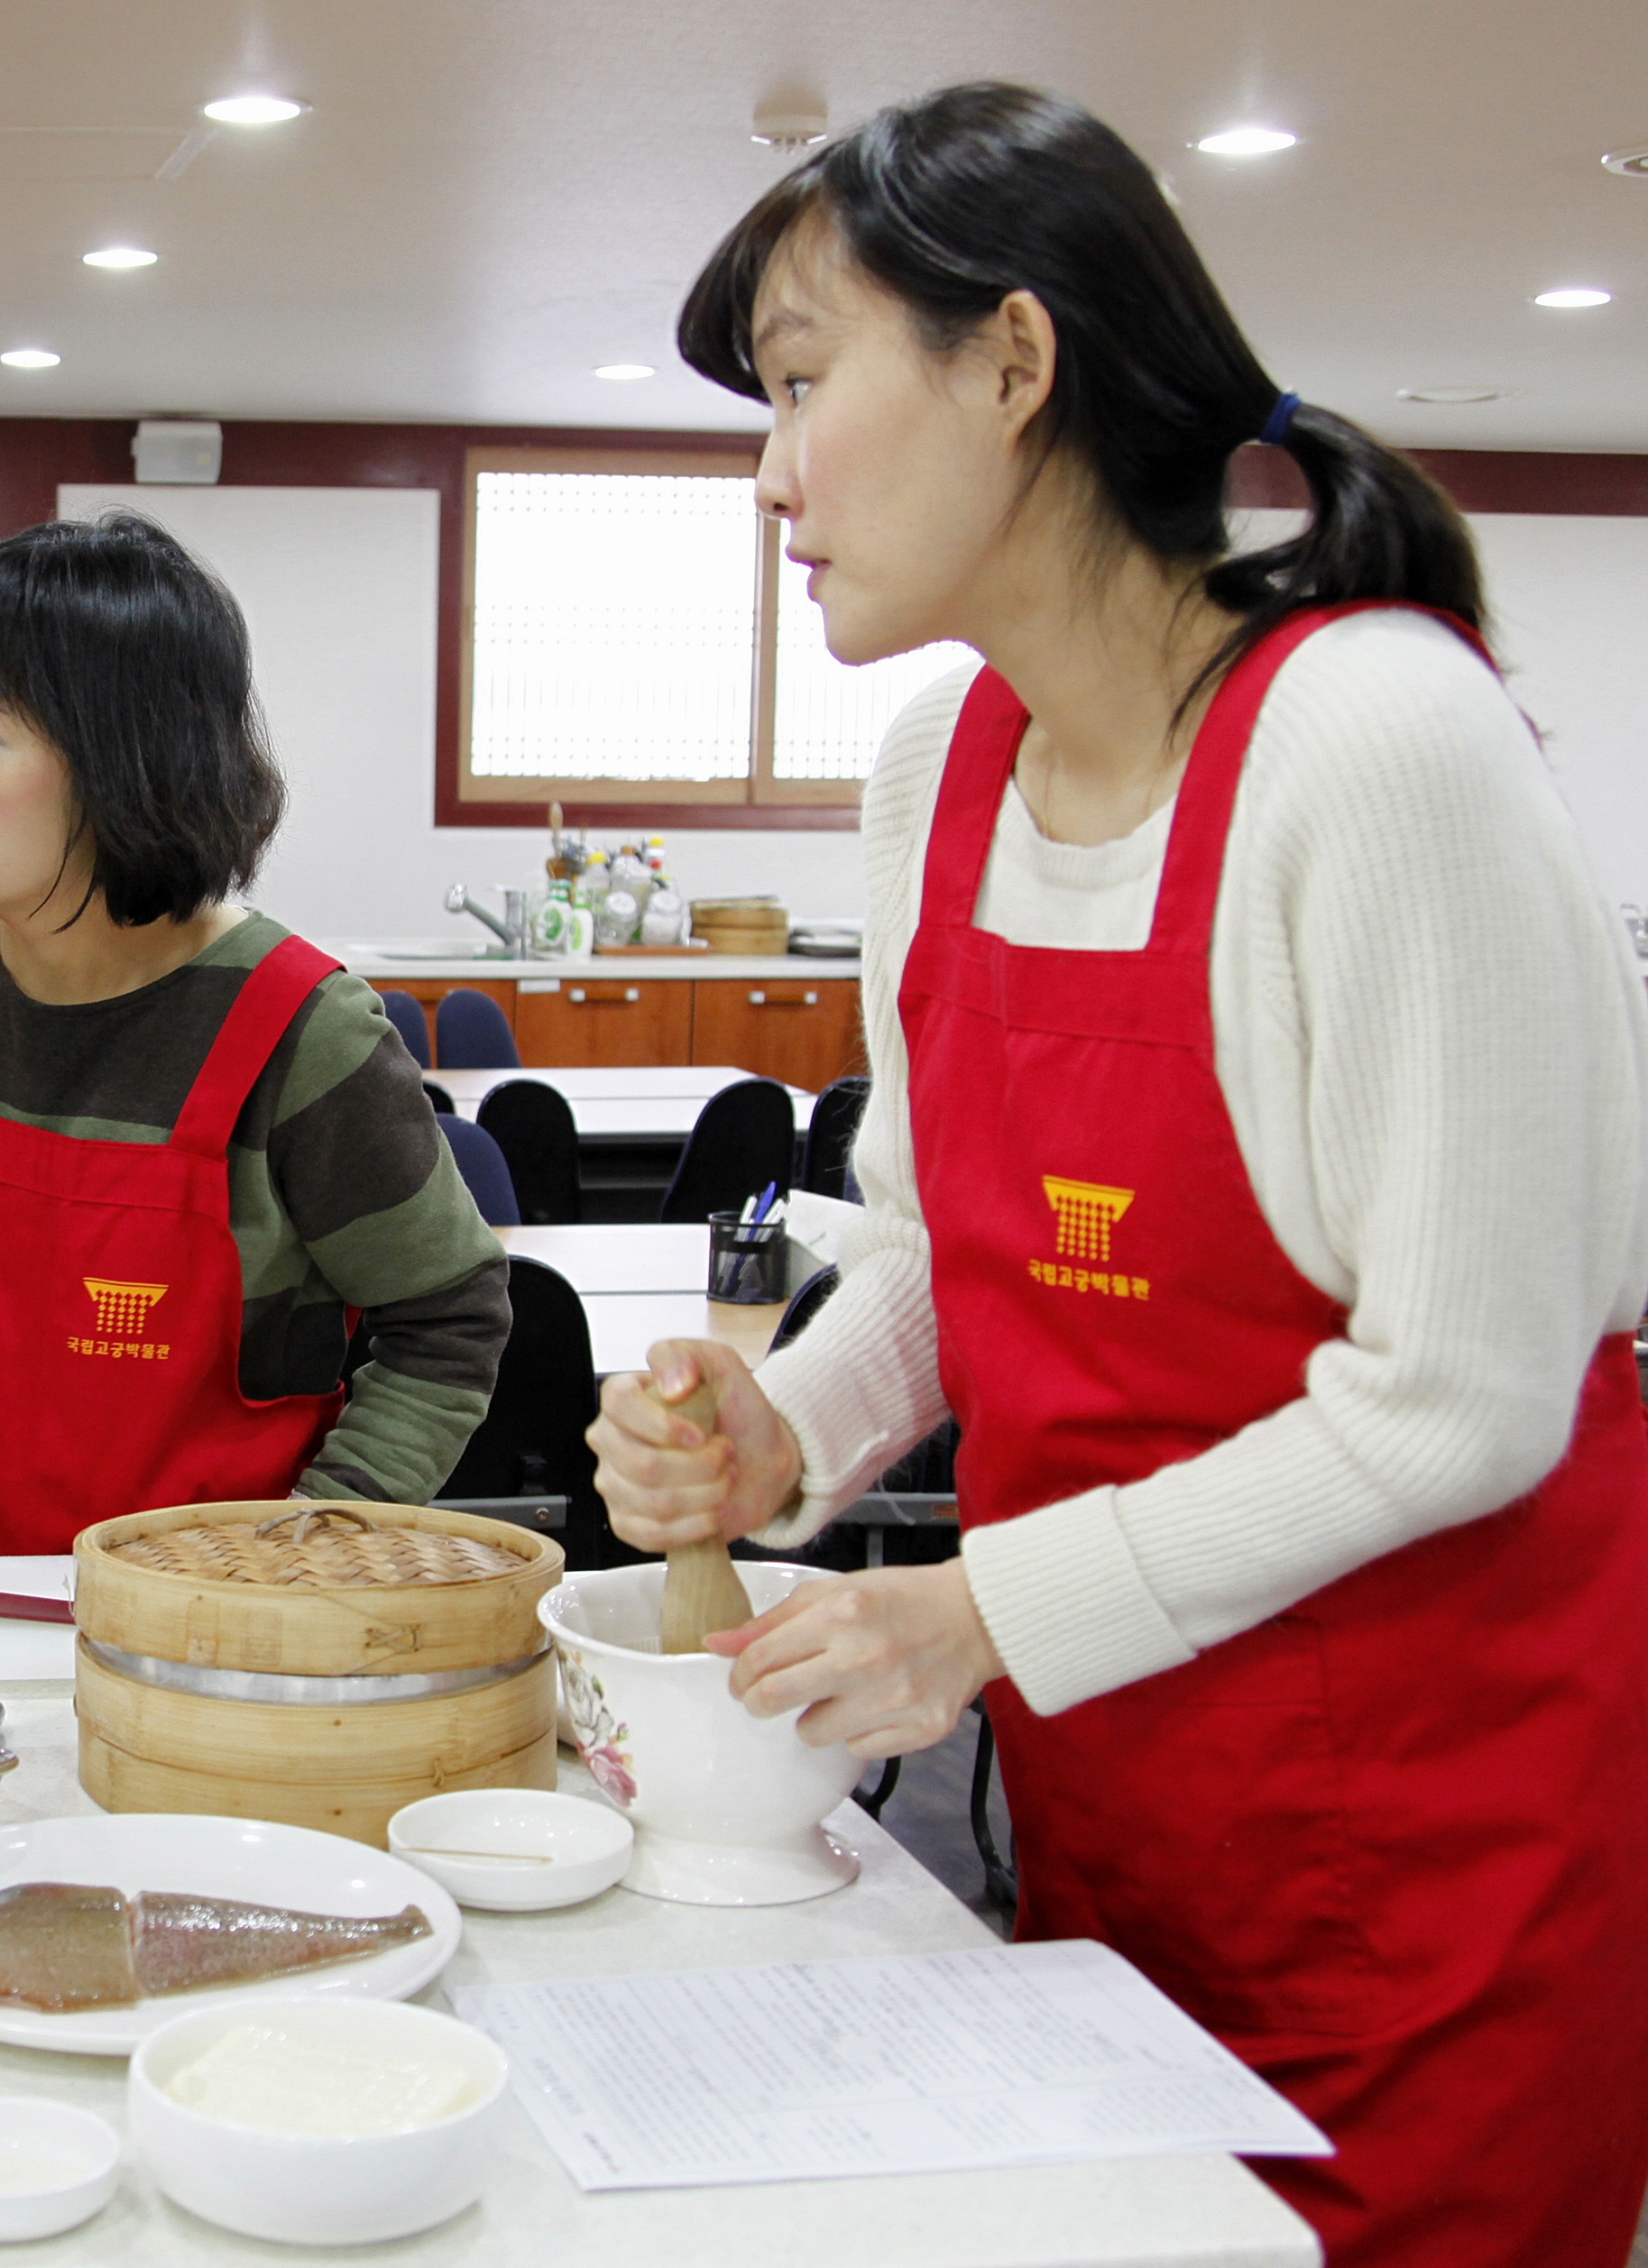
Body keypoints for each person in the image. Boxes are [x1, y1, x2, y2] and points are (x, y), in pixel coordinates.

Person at [591, 84, 1648, 2268]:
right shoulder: (933, 769)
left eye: (799, 384)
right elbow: (926, 1238)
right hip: (1110, 1808)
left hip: (1432, 1853)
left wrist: (977, 1609)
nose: (768, 474)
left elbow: (1463, 1393)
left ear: (1008, 359)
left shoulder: (1367, 740)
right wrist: (799, 1412)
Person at [0, 512, 510, 1593]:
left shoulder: (303, 1036)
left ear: (124, 762)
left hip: (214, 1637)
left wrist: (304, 1567)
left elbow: (446, 1323)